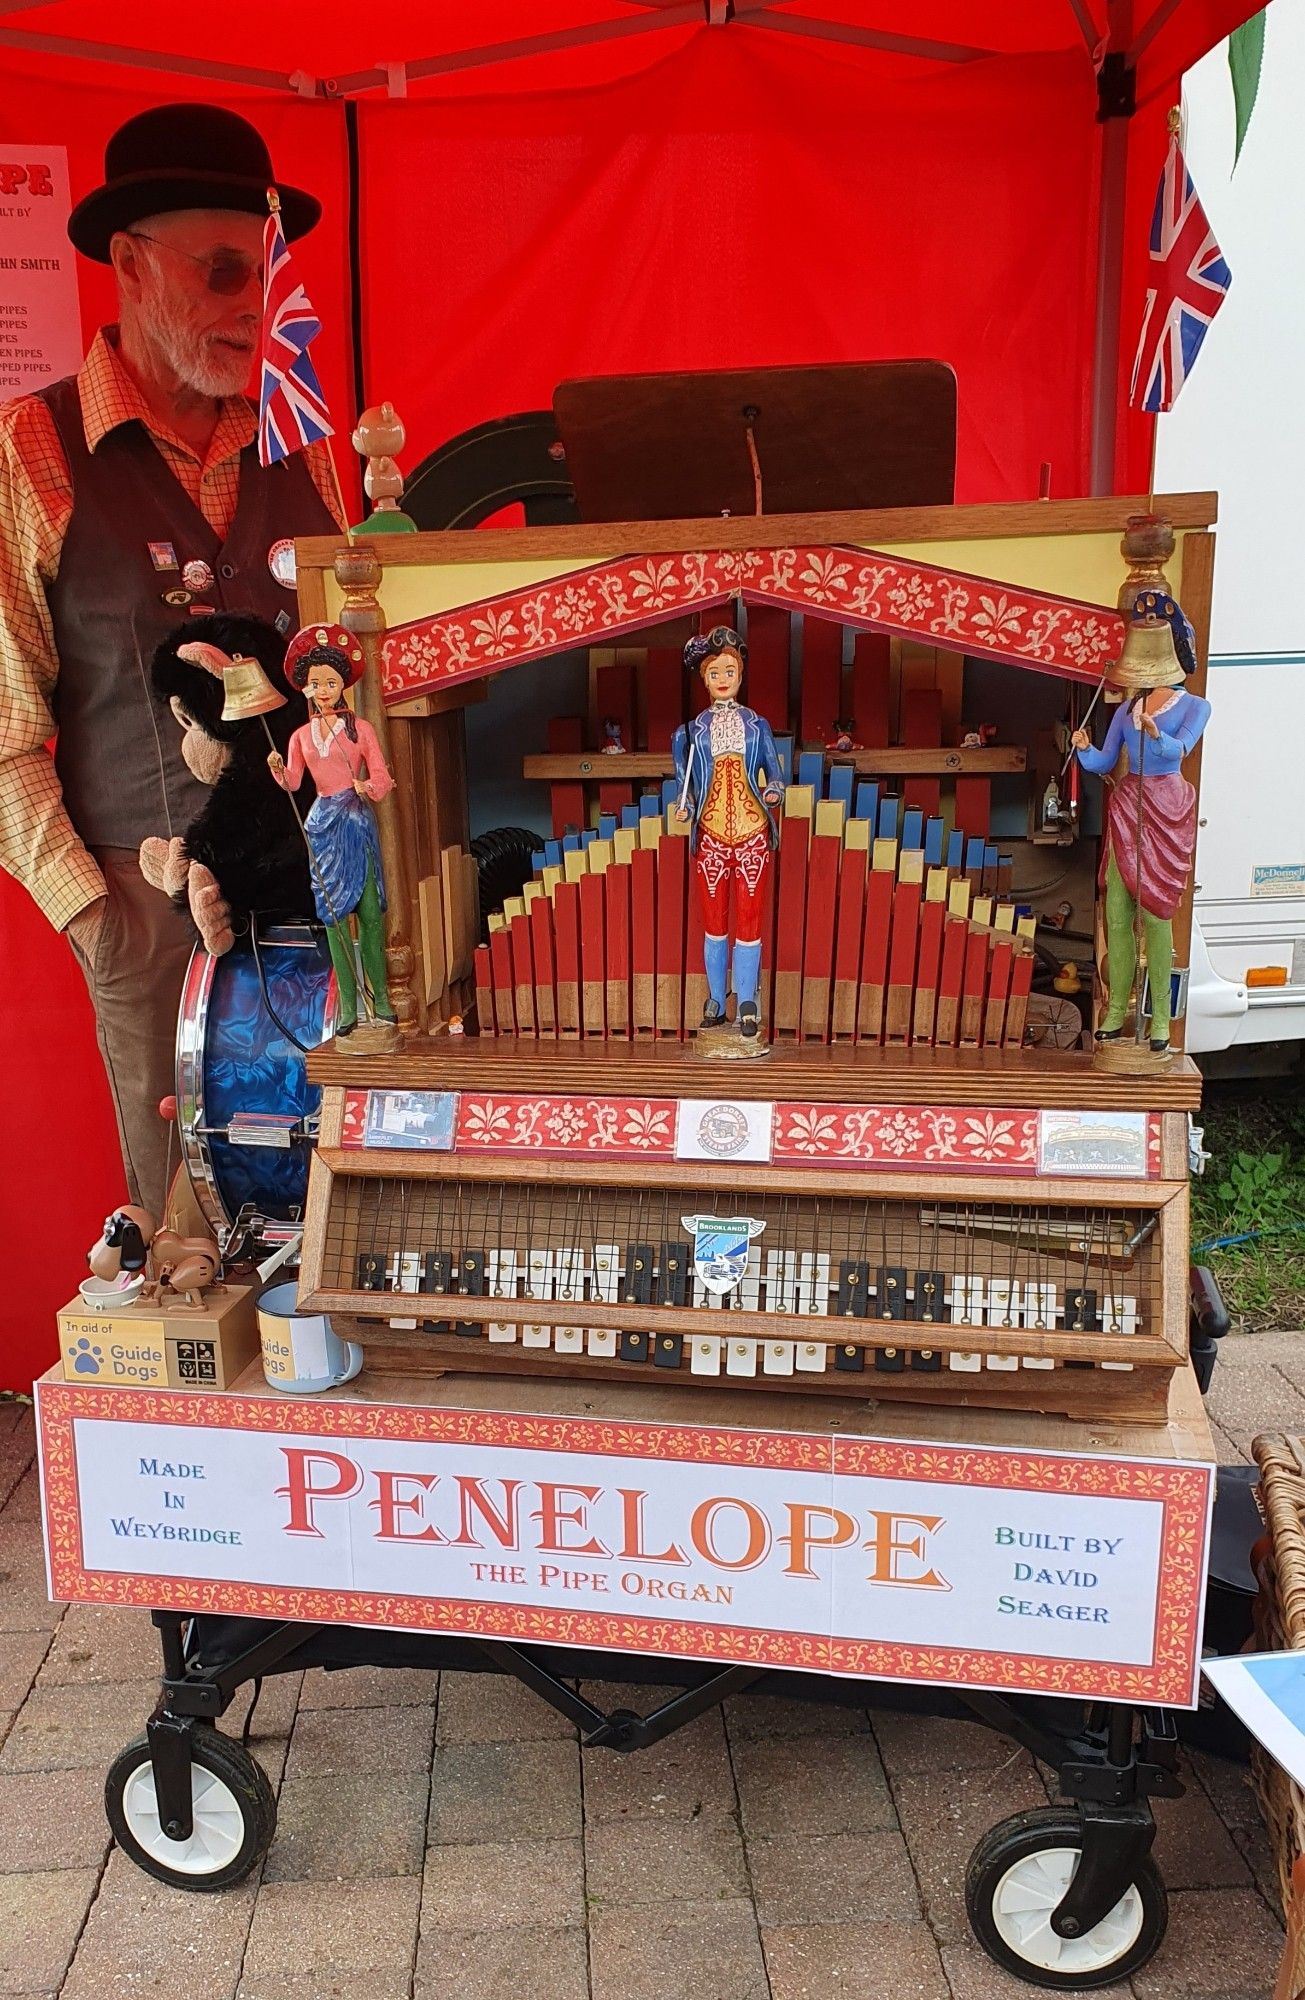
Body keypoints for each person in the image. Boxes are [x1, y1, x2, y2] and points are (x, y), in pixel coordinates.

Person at [0, 104, 346, 1217]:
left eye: (267, 270)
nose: (254, 303)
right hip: (149, 910)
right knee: (193, 1226)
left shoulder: (305, 443)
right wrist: (99, 920)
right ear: (131, 264)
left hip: (327, 894)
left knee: (347, 1190)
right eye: (222, 271)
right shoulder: (36, 450)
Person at [1072, 591, 1210, 1054]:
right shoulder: (1125, 709)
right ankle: (1115, 1012)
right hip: (1128, 803)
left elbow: (1180, 751)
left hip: (1166, 804)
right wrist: (1085, 747)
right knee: (1117, 911)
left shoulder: (1195, 707)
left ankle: (1161, 1022)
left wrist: (1157, 735)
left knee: (1157, 915)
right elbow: (1105, 761)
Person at [267, 624, 395, 1037]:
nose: (323, 689)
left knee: (370, 915)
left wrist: (367, 787)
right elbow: (293, 781)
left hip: (355, 822)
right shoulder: (301, 736)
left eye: (330, 681)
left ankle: (384, 999)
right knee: (334, 923)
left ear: (342, 685)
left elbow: (382, 779)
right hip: (323, 824)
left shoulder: (361, 731)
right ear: (305, 686)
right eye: (315, 682)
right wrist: (276, 770)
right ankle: (348, 1008)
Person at [672, 627, 784, 1036]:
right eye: (714, 672)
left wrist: (773, 792)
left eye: (729, 670)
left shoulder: (757, 726)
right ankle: (717, 999)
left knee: (750, 921)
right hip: (712, 835)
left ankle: (748, 1000)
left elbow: (775, 775)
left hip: (753, 832)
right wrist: (683, 809)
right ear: (704, 679)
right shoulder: (688, 733)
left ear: (740, 673)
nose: (722, 678)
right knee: (714, 922)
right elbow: (685, 784)